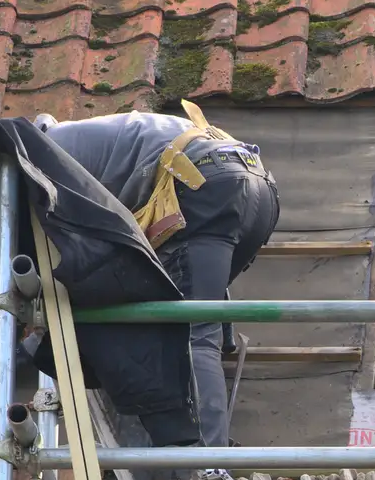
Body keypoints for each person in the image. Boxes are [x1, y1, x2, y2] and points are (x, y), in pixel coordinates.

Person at [34, 105, 280, 451]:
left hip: (204, 184)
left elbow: (78, 252)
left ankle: (208, 460)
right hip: (257, 187)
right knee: (191, 311)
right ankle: (202, 444)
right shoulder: (101, 138)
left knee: (194, 332)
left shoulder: (39, 156)